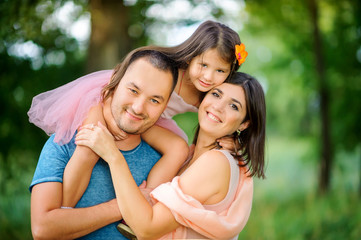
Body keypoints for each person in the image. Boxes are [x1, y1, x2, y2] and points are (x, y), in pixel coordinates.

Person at [28, 20, 246, 208]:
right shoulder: (164, 68)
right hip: (105, 99)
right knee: (89, 147)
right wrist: (110, 120)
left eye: (220, 71)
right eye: (204, 65)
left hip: (148, 120)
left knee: (179, 148)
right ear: (190, 56)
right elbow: (120, 87)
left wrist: (230, 140)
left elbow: (220, 118)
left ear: (229, 72)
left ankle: (146, 201)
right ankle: (63, 209)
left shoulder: (210, 94)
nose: (209, 76)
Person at [75, 72, 266, 239]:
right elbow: (137, 123)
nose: (218, 106)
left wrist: (113, 155)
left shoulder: (217, 162)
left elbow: (146, 229)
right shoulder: (191, 155)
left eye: (234, 106)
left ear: (244, 124)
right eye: (216, 94)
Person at [29, 49, 179, 239]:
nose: (138, 107)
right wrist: (127, 203)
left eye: (154, 100)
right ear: (115, 80)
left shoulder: (163, 164)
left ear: (164, 106)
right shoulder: (65, 143)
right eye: (133, 90)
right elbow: (43, 230)